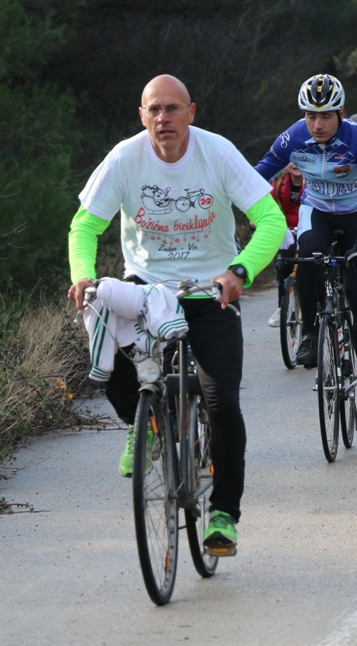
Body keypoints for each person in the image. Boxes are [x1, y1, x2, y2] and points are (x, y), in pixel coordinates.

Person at [67, 74, 286, 551]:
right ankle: (143, 425)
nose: (163, 118)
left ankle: (224, 514)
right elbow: (85, 225)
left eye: (172, 108)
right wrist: (84, 274)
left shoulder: (218, 153)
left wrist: (240, 270)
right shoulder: (125, 157)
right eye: (154, 110)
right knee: (109, 364)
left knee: (221, 400)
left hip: (210, 292)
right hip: (145, 291)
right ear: (142, 116)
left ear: (192, 112)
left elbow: (271, 220)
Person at [254, 73, 357, 432]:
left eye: (325, 115)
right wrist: (247, 209)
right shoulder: (294, 136)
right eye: (310, 115)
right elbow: (255, 175)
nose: (317, 124)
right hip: (318, 210)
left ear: (341, 113)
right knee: (307, 255)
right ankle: (310, 334)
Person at [267, 162, 304, 327]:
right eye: (291, 160)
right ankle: (282, 306)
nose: (295, 164)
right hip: (288, 230)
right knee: (282, 263)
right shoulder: (279, 183)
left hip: (312, 227)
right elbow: (267, 205)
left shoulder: (313, 181)